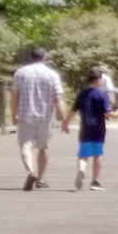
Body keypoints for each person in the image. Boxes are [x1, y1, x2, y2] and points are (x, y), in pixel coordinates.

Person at [9, 46, 69, 191]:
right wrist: (64, 120)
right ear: (45, 58)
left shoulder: (20, 73)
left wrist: (13, 114)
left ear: (31, 58)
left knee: (25, 145)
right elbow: (58, 98)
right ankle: (40, 179)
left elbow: (14, 95)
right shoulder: (52, 74)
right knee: (43, 147)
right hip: (45, 116)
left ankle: (30, 171)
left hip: (25, 114)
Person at [70, 69, 114, 191]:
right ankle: (94, 181)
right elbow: (107, 113)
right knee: (97, 154)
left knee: (83, 154)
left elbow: (73, 110)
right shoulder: (102, 94)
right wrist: (117, 114)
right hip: (98, 129)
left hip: (85, 128)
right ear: (99, 81)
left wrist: (65, 123)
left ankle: (81, 169)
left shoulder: (82, 94)